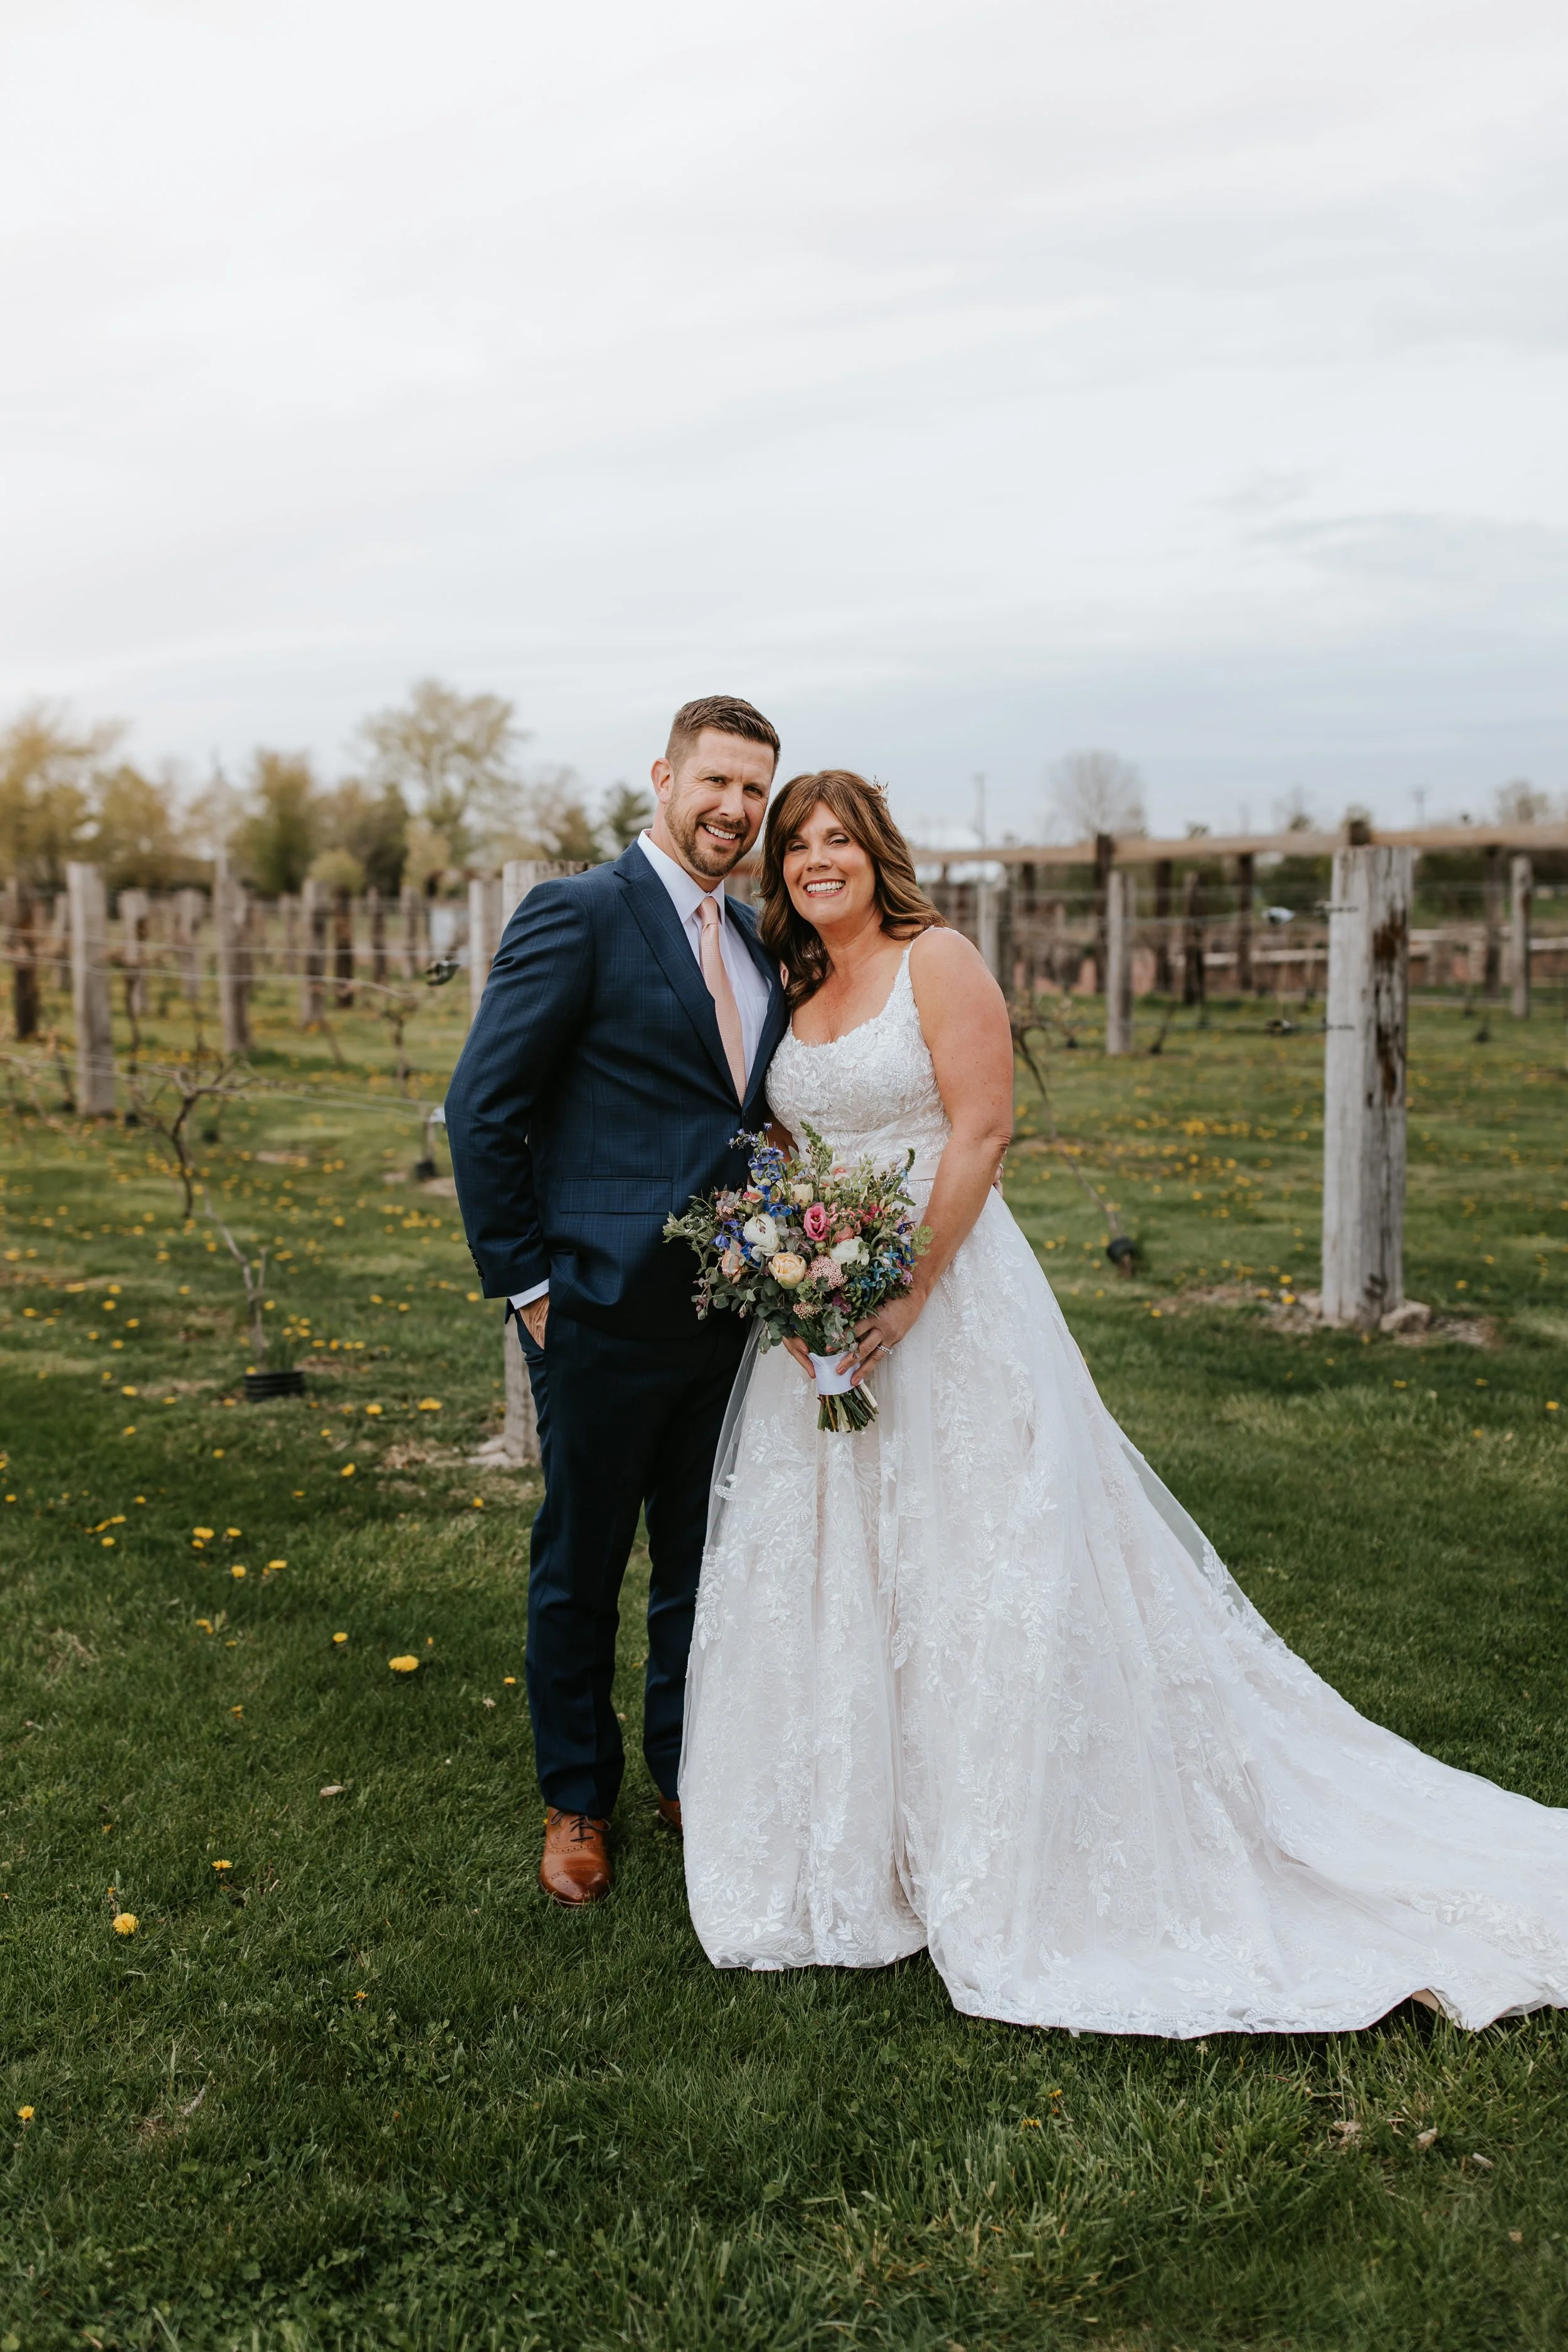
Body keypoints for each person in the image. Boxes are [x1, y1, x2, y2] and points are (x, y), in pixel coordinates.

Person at [680, 768, 1568, 2035]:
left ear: (877, 853)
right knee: (836, 1570)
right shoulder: (795, 985)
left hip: (942, 1294)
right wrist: (793, 1252)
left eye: (838, 839)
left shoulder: (936, 960)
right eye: (796, 845)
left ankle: (1006, 1841)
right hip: (822, 1305)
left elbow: (979, 1134)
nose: (816, 859)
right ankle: (855, 1849)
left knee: (973, 1565)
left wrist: (904, 1296)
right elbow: (779, 1140)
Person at [445, 694, 787, 1906]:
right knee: (581, 1565)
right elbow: (483, 1106)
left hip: (730, 1318)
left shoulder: (755, 944)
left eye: (755, 791)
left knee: (706, 1565)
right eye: (717, 783)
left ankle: (686, 1770)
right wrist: (530, 1284)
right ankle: (577, 1799)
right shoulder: (578, 913)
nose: (735, 810)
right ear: (664, 777)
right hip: (591, 1308)